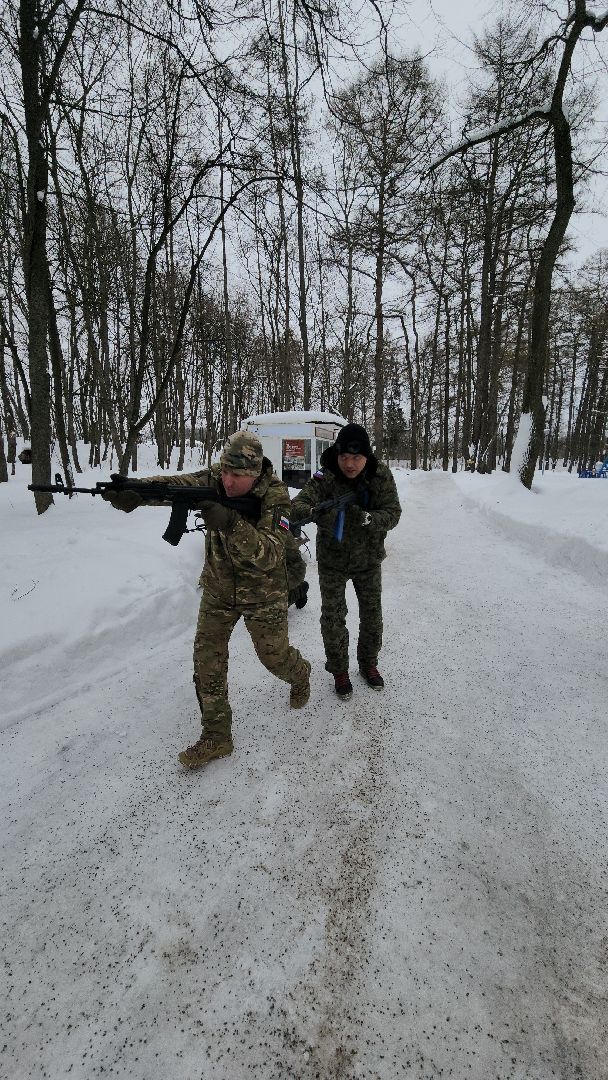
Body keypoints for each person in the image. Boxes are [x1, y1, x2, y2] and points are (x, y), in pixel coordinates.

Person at [103, 430, 311, 769]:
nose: (227, 481)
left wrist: (230, 523)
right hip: (218, 588)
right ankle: (217, 735)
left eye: (236, 476)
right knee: (207, 660)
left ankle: (300, 673)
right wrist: (136, 491)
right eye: (224, 471)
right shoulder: (215, 477)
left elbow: (272, 552)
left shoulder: (276, 494)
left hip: (263, 594)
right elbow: (175, 486)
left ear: (255, 474)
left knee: (274, 658)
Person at [291, 423, 401, 701]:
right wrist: (319, 513)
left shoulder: (379, 475)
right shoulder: (325, 475)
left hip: (368, 560)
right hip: (333, 561)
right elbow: (298, 505)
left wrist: (368, 519)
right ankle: (339, 670)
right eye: (344, 457)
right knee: (333, 618)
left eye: (356, 458)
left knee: (372, 616)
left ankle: (368, 664)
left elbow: (393, 513)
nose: (349, 464)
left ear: (366, 456)